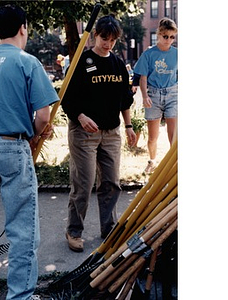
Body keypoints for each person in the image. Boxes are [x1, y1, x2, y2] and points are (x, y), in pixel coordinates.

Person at [0, 5, 59, 299]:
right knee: (23, 226)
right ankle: (20, 296)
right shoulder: (27, 62)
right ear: (23, 28)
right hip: (11, 146)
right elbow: (44, 115)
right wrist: (37, 134)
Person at [61, 15, 136, 252]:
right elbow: (66, 98)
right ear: (95, 35)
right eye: (105, 38)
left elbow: (125, 99)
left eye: (113, 40)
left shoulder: (117, 65)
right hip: (84, 133)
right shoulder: (81, 63)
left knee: (112, 183)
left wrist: (129, 126)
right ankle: (74, 231)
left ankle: (109, 228)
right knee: (83, 184)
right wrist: (81, 117)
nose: (108, 44)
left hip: (111, 132)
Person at [133, 17, 178, 173]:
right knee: (153, 137)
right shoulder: (149, 54)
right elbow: (143, 77)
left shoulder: (177, 54)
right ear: (159, 34)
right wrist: (145, 96)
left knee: (173, 136)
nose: (169, 40)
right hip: (153, 95)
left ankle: (174, 166)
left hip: (173, 94)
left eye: (172, 37)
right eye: (166, 36)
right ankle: (152, 161)